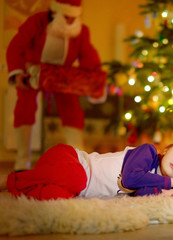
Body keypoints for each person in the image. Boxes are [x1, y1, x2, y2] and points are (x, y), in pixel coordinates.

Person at [6, 0, 102, 171]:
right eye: (67, 17)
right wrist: (18, 72)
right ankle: (22, 162)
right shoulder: (37, 22)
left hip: (63, 77)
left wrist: (95, 82)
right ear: (56, 12)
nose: (70, 21)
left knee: (72, 111)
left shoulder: (82, 31)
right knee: (24, 109)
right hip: (32, 72)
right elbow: (16, 46)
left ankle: (78, 160)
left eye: (74, 17)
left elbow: (89, 56)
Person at [0, 138, 173, 200]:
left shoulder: (155, 185)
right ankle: (15, 179)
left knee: (55, 198)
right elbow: (130, 179)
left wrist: (172, 192)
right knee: (76, 178)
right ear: (167, 149)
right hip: (70, 160)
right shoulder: (147, 153)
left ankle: (29, 188)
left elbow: (142, 194)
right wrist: (172, 182)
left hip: (76, 190)